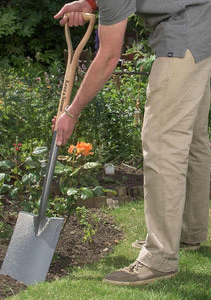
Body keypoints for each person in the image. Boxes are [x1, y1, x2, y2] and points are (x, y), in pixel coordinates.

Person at [53, 0, 211, 286]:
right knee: (194, 140)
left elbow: (109, 56)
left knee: (163, 143)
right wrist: (89, 3)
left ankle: (160, 257)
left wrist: (71, 112)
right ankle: (189, 233)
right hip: (204, 28)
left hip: (185, 34)